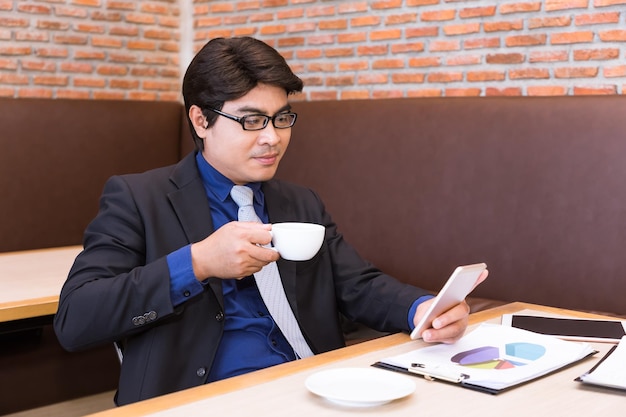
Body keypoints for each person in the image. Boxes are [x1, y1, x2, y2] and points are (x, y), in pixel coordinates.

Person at [53, 36, 488, 406]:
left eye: (282, 118)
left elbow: (358, 284)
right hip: (204, 397)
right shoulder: (138, 198)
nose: (272, 137)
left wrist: (422, 308)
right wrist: (198, 262)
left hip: (316, 386)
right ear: (201, 120)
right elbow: (76, 318)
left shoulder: (299, 201)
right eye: (251, 120)